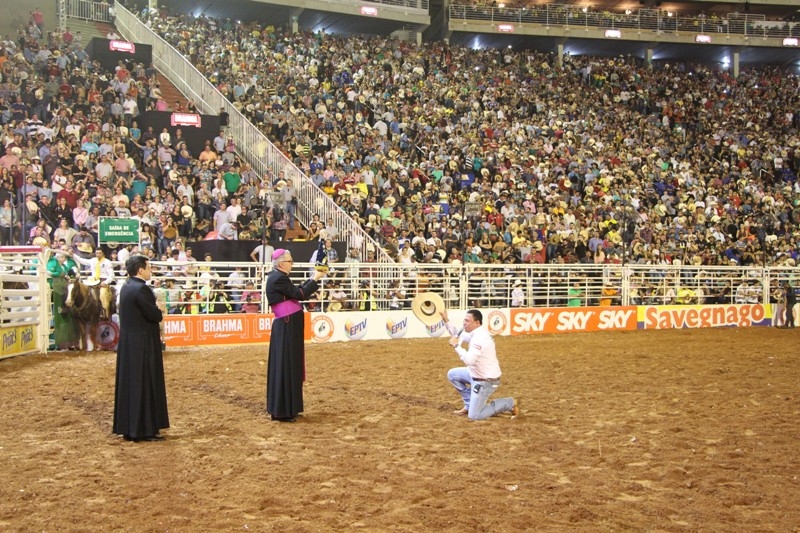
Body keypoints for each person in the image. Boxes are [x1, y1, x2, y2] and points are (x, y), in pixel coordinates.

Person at [112, 255, 169, 442]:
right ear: (140, 270)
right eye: (148, 267)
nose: (150, 270)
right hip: (143, 344)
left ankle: (130, 428)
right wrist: (160, 309)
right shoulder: (142, 289)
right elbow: (154, 316)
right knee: (145, 384)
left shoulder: (126, 286)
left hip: (129, 344)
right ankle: (144, 429)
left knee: (131, 385)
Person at [266, 249, 325, 422]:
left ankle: (289, 407)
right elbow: (300, 294)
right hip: (287, 325)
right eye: (290, 261)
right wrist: (315, 278)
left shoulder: (277, 277)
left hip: (288, 324)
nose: (292, 264)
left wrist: (313, 278)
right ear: (282, 263)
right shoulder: (279, 278)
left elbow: (296, 290)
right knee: (287, 365)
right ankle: (283, 411)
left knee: (290, 365)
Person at [442, 309, 518, 421]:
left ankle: (509, 403)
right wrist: (446, 320)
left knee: (475, 416)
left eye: (467, 321)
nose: (464, 323)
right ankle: (469, 405)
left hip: (486, 381)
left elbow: (469, 360)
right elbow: (458, 334)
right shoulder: (476, 333)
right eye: (464, 320)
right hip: (476, 375)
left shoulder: (479, 338)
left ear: (477, 323)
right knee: (452, 374)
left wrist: (456, 346)